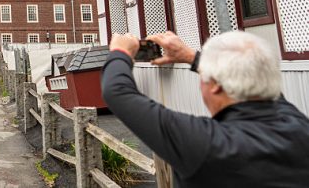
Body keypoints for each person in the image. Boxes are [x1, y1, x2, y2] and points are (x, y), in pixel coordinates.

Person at [102, 30, 309, 187]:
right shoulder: (299, 124)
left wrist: (121, 52)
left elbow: (117, 92)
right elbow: (262, 81)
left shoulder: (207, 144)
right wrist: (189, 56)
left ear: (216, 85)